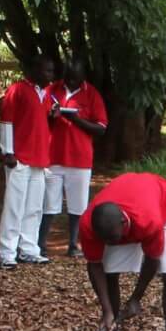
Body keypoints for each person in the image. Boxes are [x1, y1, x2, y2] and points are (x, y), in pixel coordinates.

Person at [77, 171, 166, 331]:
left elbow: (152, 259)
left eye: (113, 240)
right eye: (106, 241)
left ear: (123, 223)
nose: (112, 245)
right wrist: (107, 310)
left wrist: (136, 298)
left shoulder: (150, 220)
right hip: (128, 212)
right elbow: (95, 265)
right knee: (109, 270)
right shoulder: (89, 225)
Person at [0, 55, 58, 269]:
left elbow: (44, 121)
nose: (51, 76)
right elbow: (6, 121)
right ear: (35, 70)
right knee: (14, 206)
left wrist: (53, 115)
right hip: (20, 158)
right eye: (47, 71)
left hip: (39, 159)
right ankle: (7, 252)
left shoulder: (45, 94)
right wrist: (8, 152)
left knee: (33, 207)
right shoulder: (17, 90)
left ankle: (29, 248)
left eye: (52, 71)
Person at [43, 61, 108, 258]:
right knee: (48, 203)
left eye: (75, 77)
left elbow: (101, 127)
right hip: (53, 156)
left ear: (83, 76)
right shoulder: (52, 90)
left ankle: (73, 245)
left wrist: (76, 120)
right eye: (67, 76)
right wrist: (52, 116)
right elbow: (40, 118)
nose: (70, 80)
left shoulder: (92, 94)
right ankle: (40, 244)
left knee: (77, 205)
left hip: (80, 159)